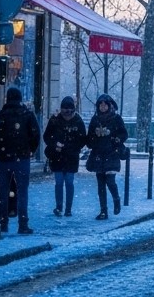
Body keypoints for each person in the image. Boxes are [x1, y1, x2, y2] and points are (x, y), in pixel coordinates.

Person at [0, 87, 41, 234]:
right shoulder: (27, 115)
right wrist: (30, 150)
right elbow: (35, 135)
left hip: (5, 158)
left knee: (3, 192)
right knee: (22, 192)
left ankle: (3, 222)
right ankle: (23, 223)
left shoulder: (0, 116)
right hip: (22, 158)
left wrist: (1, 148)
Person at [43, 95, 86, 217]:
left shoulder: (75, 121)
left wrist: (69, 147)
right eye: (65, 111)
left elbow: (82, 139)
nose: (67, 114)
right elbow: (47, 136)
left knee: (67, 182)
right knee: (60, 182)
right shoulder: (57, 120)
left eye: (69, 111)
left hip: (69, 156)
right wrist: (55, 144)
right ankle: (60, 206)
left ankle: (66, 208)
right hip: (59, 155)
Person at [85, 93, 127, 221]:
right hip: (98, 154)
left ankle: (116, 199)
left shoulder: (116, 118)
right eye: (100, 105)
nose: (103, 107)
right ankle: (103, 211)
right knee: (100, 184)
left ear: (109, 106)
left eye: (105, 105)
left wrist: (115, 138)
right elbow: (89, 138)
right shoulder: (95, 119)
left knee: (110, 181)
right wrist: (95, 136)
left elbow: (124, 134)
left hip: (112, 153)